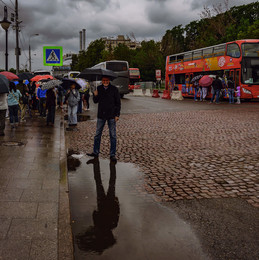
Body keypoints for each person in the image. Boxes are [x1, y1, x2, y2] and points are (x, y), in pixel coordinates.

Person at [87, 76, 121, 162]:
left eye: (106, 80)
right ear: (101, 81)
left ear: (109, 80)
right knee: (97, 134)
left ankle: (112, 154)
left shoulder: (114, 89)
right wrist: (95, 95)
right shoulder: (99, 88)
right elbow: (95, 101)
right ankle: (95, 152)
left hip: (111, 115)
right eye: (103, 80)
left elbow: (118, 103)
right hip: (101, 114)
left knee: (113, 135)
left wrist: (117, 115)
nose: (105, 82)